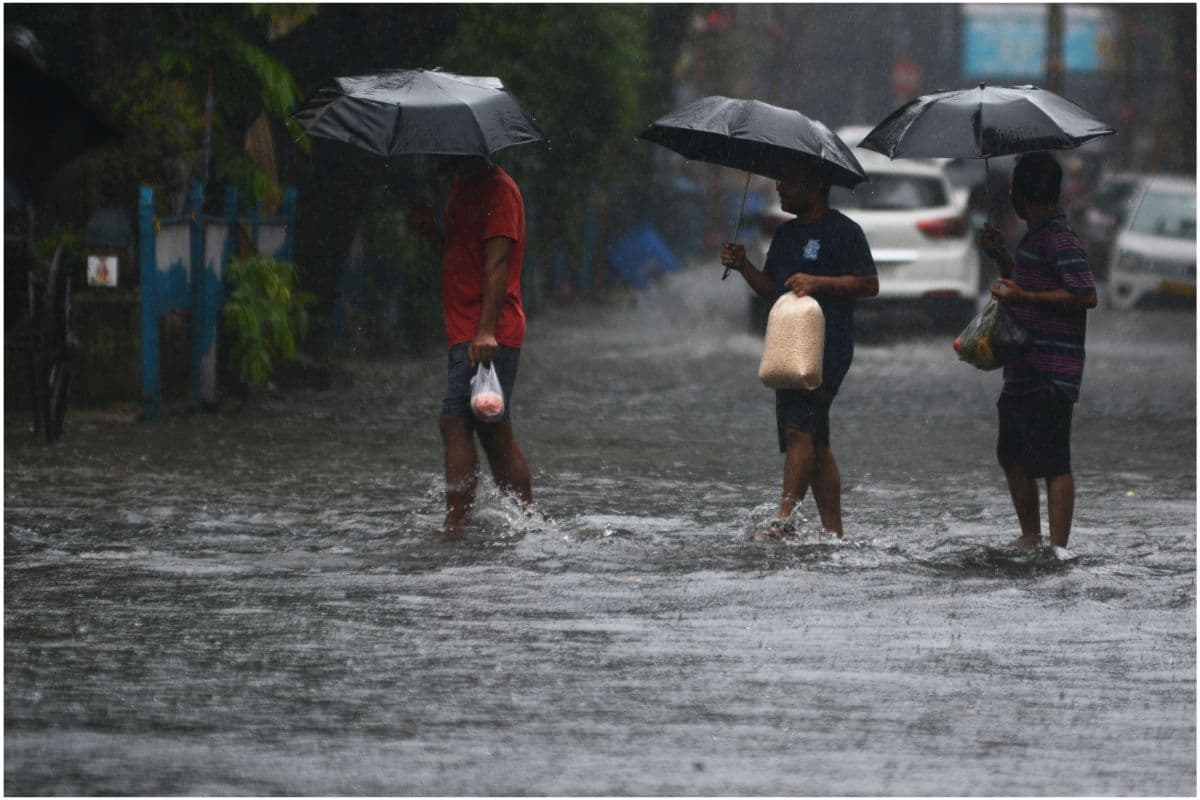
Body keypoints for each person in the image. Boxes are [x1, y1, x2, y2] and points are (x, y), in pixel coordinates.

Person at [721, 159, 878, 539]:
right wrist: (744, 266)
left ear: (814, 184)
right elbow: (772, 290)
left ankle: (784, 519)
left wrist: (819, 283)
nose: (779, 188)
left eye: (787, 179)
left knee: (797, 429)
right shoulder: (785, 234)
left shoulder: (844, 231)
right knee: (815, 439)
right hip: (787, 345)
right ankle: (834, 533)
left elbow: (869, 284)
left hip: (828, 347)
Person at [408, 156, 533, 539]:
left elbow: (497, 264)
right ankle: (527, 521)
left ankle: (455, 526)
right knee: (492, 430)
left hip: (487, 330)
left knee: (455, 420)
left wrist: (485, 332)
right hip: (465, 327)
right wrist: (432, 233)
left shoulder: (500, 191)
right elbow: (461, 255)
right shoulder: (463, 187)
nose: (440, 157)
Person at [978, 151, 1098, 551]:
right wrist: (1001, 257)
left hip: (1052, 371)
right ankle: (1031, 536)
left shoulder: (1062, 240)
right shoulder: (1033, 237)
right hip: (1022, 370)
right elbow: (1023, 284)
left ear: (1025, 193)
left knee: (1053, 462)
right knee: (1011, 453)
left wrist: (1024, 293)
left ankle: (1058, 548)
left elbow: (1085, 294)